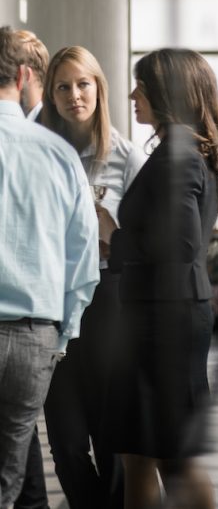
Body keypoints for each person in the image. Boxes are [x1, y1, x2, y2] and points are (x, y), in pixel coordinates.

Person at [98, 49, 218, 509]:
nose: (133, 94)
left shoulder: (178, 155)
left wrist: (111, 236)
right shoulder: (182, 150)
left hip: (165, 323)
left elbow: (179, 246)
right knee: (139, 453)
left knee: (171, 458)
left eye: (142, 85)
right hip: (160, 316)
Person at [40, 46, 146, 508]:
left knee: (110, 433)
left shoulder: (126, 155)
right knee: (64, 441)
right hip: (52, 300)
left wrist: (107, 231)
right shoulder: (37, 149)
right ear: (50, 94)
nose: (73, 95)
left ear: (99, 89)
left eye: (82, 84)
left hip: (109, 301)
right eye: (62, 86)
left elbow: (137, 242)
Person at [0, 26, 99, 507]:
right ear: (23, 77)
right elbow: (83, 260)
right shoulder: (59, 154)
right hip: (33, 334)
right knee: (12, 466)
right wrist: (61, 335)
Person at [6, 27, 53, 509]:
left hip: (34, 321)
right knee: (22, 440)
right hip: (37, 321)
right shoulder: (47, 143)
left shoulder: (53, 139)